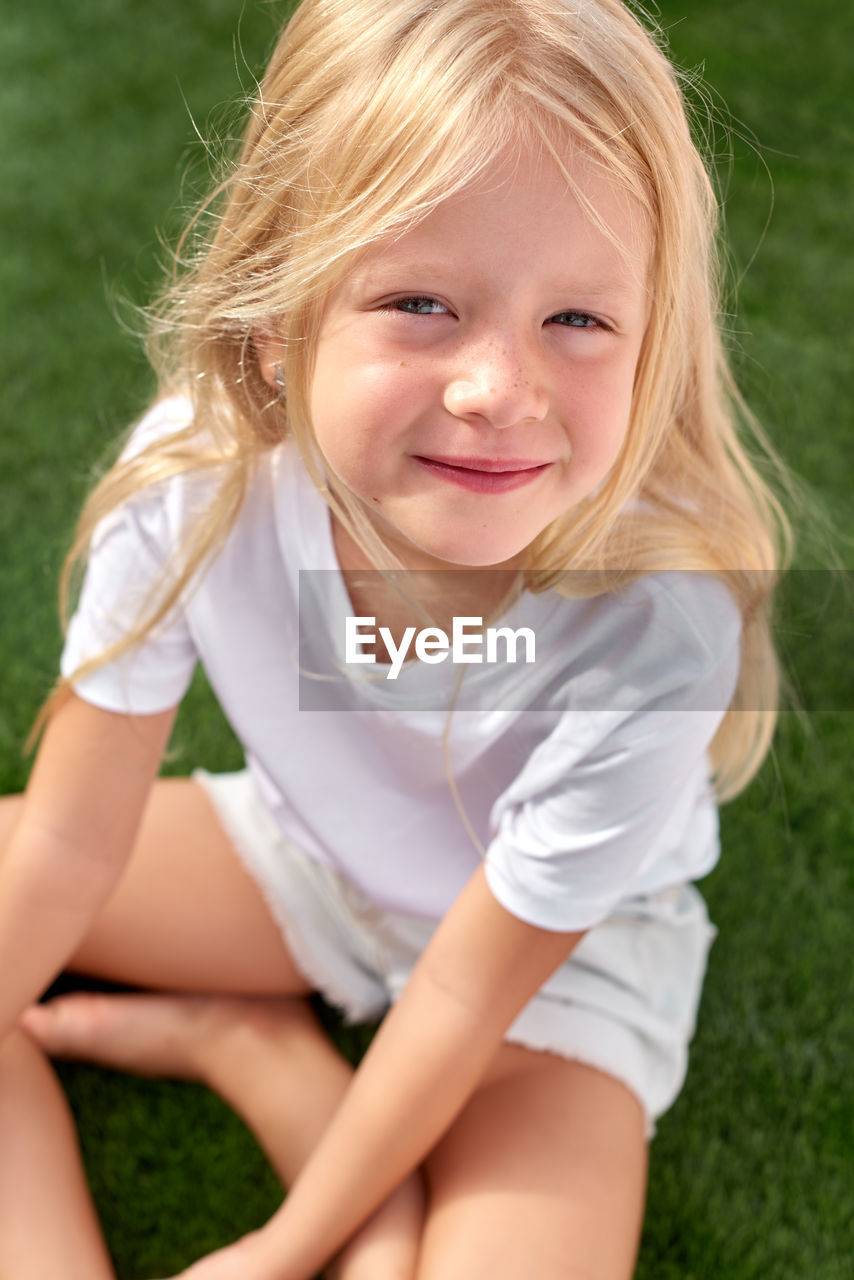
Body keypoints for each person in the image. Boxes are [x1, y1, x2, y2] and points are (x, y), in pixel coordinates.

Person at [0, 0, 792, 1276]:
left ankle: (256, 1051)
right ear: (276, 314)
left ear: (651, 344)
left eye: (576, 320)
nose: (499, 390)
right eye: (420, 300)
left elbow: (469, 990)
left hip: (561, 977)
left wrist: (280, 1246)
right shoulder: (196, 484)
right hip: (308, 864)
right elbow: (73, 836)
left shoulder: (657, 629)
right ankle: (258, 1057)